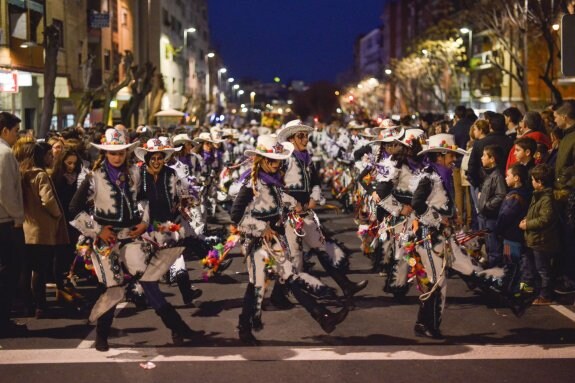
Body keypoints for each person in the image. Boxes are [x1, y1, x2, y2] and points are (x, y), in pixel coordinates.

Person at [69, 128, 203, 351]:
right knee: (113, 286)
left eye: (121, 152)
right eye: (113, 153)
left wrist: (144, 222)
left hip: (131, 236)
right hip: (106, 241)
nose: (117, 156)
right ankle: (102, 335)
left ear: (127, 153)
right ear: (105, 154)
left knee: (148, 281)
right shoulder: (94, 177)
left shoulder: (134, 173)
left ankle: (178, 328)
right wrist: (98, 230)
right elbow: (74, 208)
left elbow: (144, 200)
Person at [230, 134, 348, 345]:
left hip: (275, 239)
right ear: (261, 160)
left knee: (290, 277)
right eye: (272, 160)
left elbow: (280, 202)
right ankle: (244, 328)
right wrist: (261, 227)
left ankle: (323, 316)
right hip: (256, 241)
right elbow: (236, 215)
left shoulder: (275, 181)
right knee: (257, 286)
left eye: (278, 160)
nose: (276, 164)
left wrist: (295, 206)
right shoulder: (252, 183)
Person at [277, 120, 368, 301]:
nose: (305, 139)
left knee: (321, 248)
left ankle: (345, 285)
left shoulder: (307, 158)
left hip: (306, 213)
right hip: (289, 215)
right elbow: (275, 188)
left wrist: (313, 198)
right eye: (300, 136)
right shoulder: (284, 159)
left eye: (306, 135)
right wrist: (292, 203)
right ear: (291, 139)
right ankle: (279, 296)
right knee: (295, 259)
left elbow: (316, 182)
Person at [134, 137, 202, 305]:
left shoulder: (171, 173)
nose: (157, 161)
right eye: (153, 158)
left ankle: (187, 293)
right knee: (147, 260)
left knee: (176, 255)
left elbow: (179, 195)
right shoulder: (138, 174)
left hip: (168, 222)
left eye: (160, 158)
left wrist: (183, 204)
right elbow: (131, 196)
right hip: (146, 223)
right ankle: (138, 294)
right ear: (147, 159)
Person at [20, 142, 70, 318]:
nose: (52, 157)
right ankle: (41, 305)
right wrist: (57, 214)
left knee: (26, 269)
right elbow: (47, 200)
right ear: (41, 157)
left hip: (25, 227)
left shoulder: (23, 174)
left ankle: (27, 305)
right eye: (49, 154)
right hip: (42, 228)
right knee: (40, 269)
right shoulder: (40, 175)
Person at [0, 112, 26, 337]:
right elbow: (6, 191)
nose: (17, 136)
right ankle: (3, 321)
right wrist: (18, 216)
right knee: (8, 273)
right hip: (4, 222)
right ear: (5, 130)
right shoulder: (5, 154)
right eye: (16, 131)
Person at [519, 164, 560, 305]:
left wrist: (528, 224)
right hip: (534, 239)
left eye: (533, 180)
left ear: (540, 182)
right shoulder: (538, 196)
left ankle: (545, 296)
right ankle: (532, 292)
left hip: (542, 240)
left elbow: (545, 219)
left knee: (543, 270)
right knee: (533, 268)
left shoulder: (546, 198)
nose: (531, 182)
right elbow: (535, 214)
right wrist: (527, 219)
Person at [495, 164, 531, 295]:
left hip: (510, 237)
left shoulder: (514, 197)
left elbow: (505, 216)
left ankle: (510, 290)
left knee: (510, 262)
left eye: (508, 176)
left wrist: (497, 230)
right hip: (519, 236)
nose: (505, 178)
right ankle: (518, 288)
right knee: (520, 263)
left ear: (516, 178)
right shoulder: (527, 193)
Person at [552, 100, 575, 294]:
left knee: (570, 239)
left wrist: (565, 181)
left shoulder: (572, 138)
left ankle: (570, 281)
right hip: (564, 195)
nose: (554, 120)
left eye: (556, 116)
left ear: (565, 117)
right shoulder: (567, 136)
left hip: (569, 196)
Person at [477, 145, 507, 267]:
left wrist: (487, 205)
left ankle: (496, 271)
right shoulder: (489, 174)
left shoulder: (497, 175)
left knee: (494, 246)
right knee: (489, 244)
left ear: (492, 159)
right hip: (486, 216)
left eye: (484, 155)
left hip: (492, 217)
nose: (481, 157)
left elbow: (501, 195)